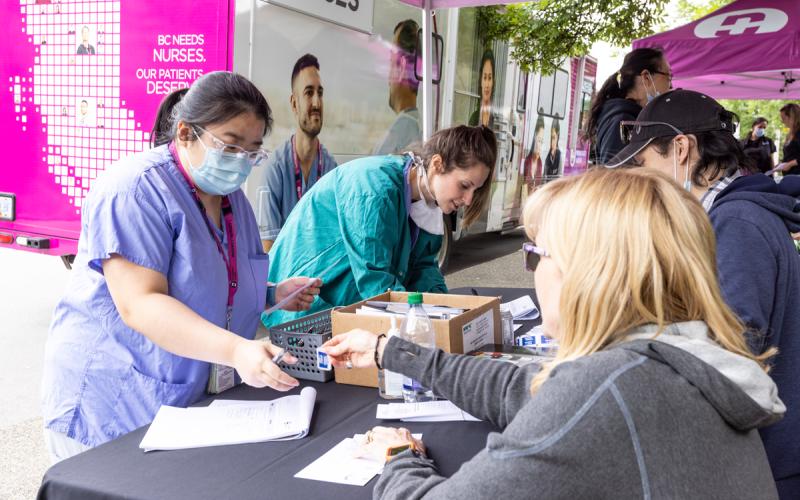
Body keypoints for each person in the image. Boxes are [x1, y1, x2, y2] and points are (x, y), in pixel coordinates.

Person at [321, 167, 783, 499]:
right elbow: (523, 388)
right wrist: (389, 351)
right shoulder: (676, 356)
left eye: (538, 254)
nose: (535, 270)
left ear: (588, 274)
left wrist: (399, 456)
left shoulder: (609, 387)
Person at [41, 72, 321, 463]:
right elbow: (140, 304)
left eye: (252, 151)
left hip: (186, 402)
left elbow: (215, 278)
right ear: (187, 133)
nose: (241, 162)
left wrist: (275, 293)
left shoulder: (231, 200)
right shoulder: (134, 190)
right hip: (114, 403)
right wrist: (238, 350)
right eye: (231, 146)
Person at [607, 89, 800, 497]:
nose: (641, 179)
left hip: (770, 459)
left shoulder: (737, 223)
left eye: (644, 164)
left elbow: (732, 349)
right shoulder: (728, 216)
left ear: (681, 148)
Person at [265, 125, 496, 327]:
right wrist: (427, 323)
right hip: (301, 309)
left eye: (474, 191)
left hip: (342, 310)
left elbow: (423, 270)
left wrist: (452, 313)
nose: (467, 200)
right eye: (464, 185)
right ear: (437, 164)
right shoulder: (374, 187)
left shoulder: (427, 202)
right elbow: (375, 281)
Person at [259, 54, 337, 251]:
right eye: (309, 93)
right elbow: (268, 249)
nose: (317, 103)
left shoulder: (331, 171)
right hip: (283, 277)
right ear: (294, 104)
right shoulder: (274, 169)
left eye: (320, 93)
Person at [585, 47, 671, 164]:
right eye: (668, 77)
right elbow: (618, 178)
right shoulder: (622, 121)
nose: (671, 86)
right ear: (646, 77)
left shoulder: (631, 117)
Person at [372, 19, 422, 155]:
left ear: (402, 69)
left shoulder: (400, 132)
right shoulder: (418, 128)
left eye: (391, 63)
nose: (388, 78)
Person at [468, 49, 494, 128]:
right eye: (484, 77)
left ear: (493, 81)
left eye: (489, 78)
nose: (487, 85)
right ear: (480, 81)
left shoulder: (494, 118)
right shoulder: (474, 117)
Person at [775, 103, 800, 175]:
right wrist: (782, 164)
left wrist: (790, 164)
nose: (782, 121)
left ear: (792, 117)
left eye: (783, 118)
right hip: (789, 176)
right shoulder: (791, 133)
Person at [522, 116, 544, 191]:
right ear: (534, 140)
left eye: (541, 142)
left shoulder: (540, 163)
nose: (540, 146)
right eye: (539, 140)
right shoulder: (527, 161)